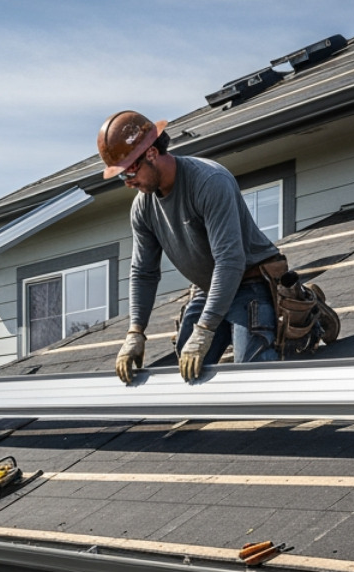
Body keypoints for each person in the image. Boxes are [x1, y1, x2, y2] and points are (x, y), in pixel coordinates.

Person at [99, 110, 307, 384]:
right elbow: (143, 272)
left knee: (253, 372)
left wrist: (206, 327)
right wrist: (135, 332)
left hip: (251, 281)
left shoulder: (209, 181)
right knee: (187, 371)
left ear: (151, 153)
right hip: (208, 288)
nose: (127, 183)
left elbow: (230, 261)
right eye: (120, 177)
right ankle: (227, 329)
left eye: (129, 171)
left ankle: (304, 322)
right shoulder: (143, 207)